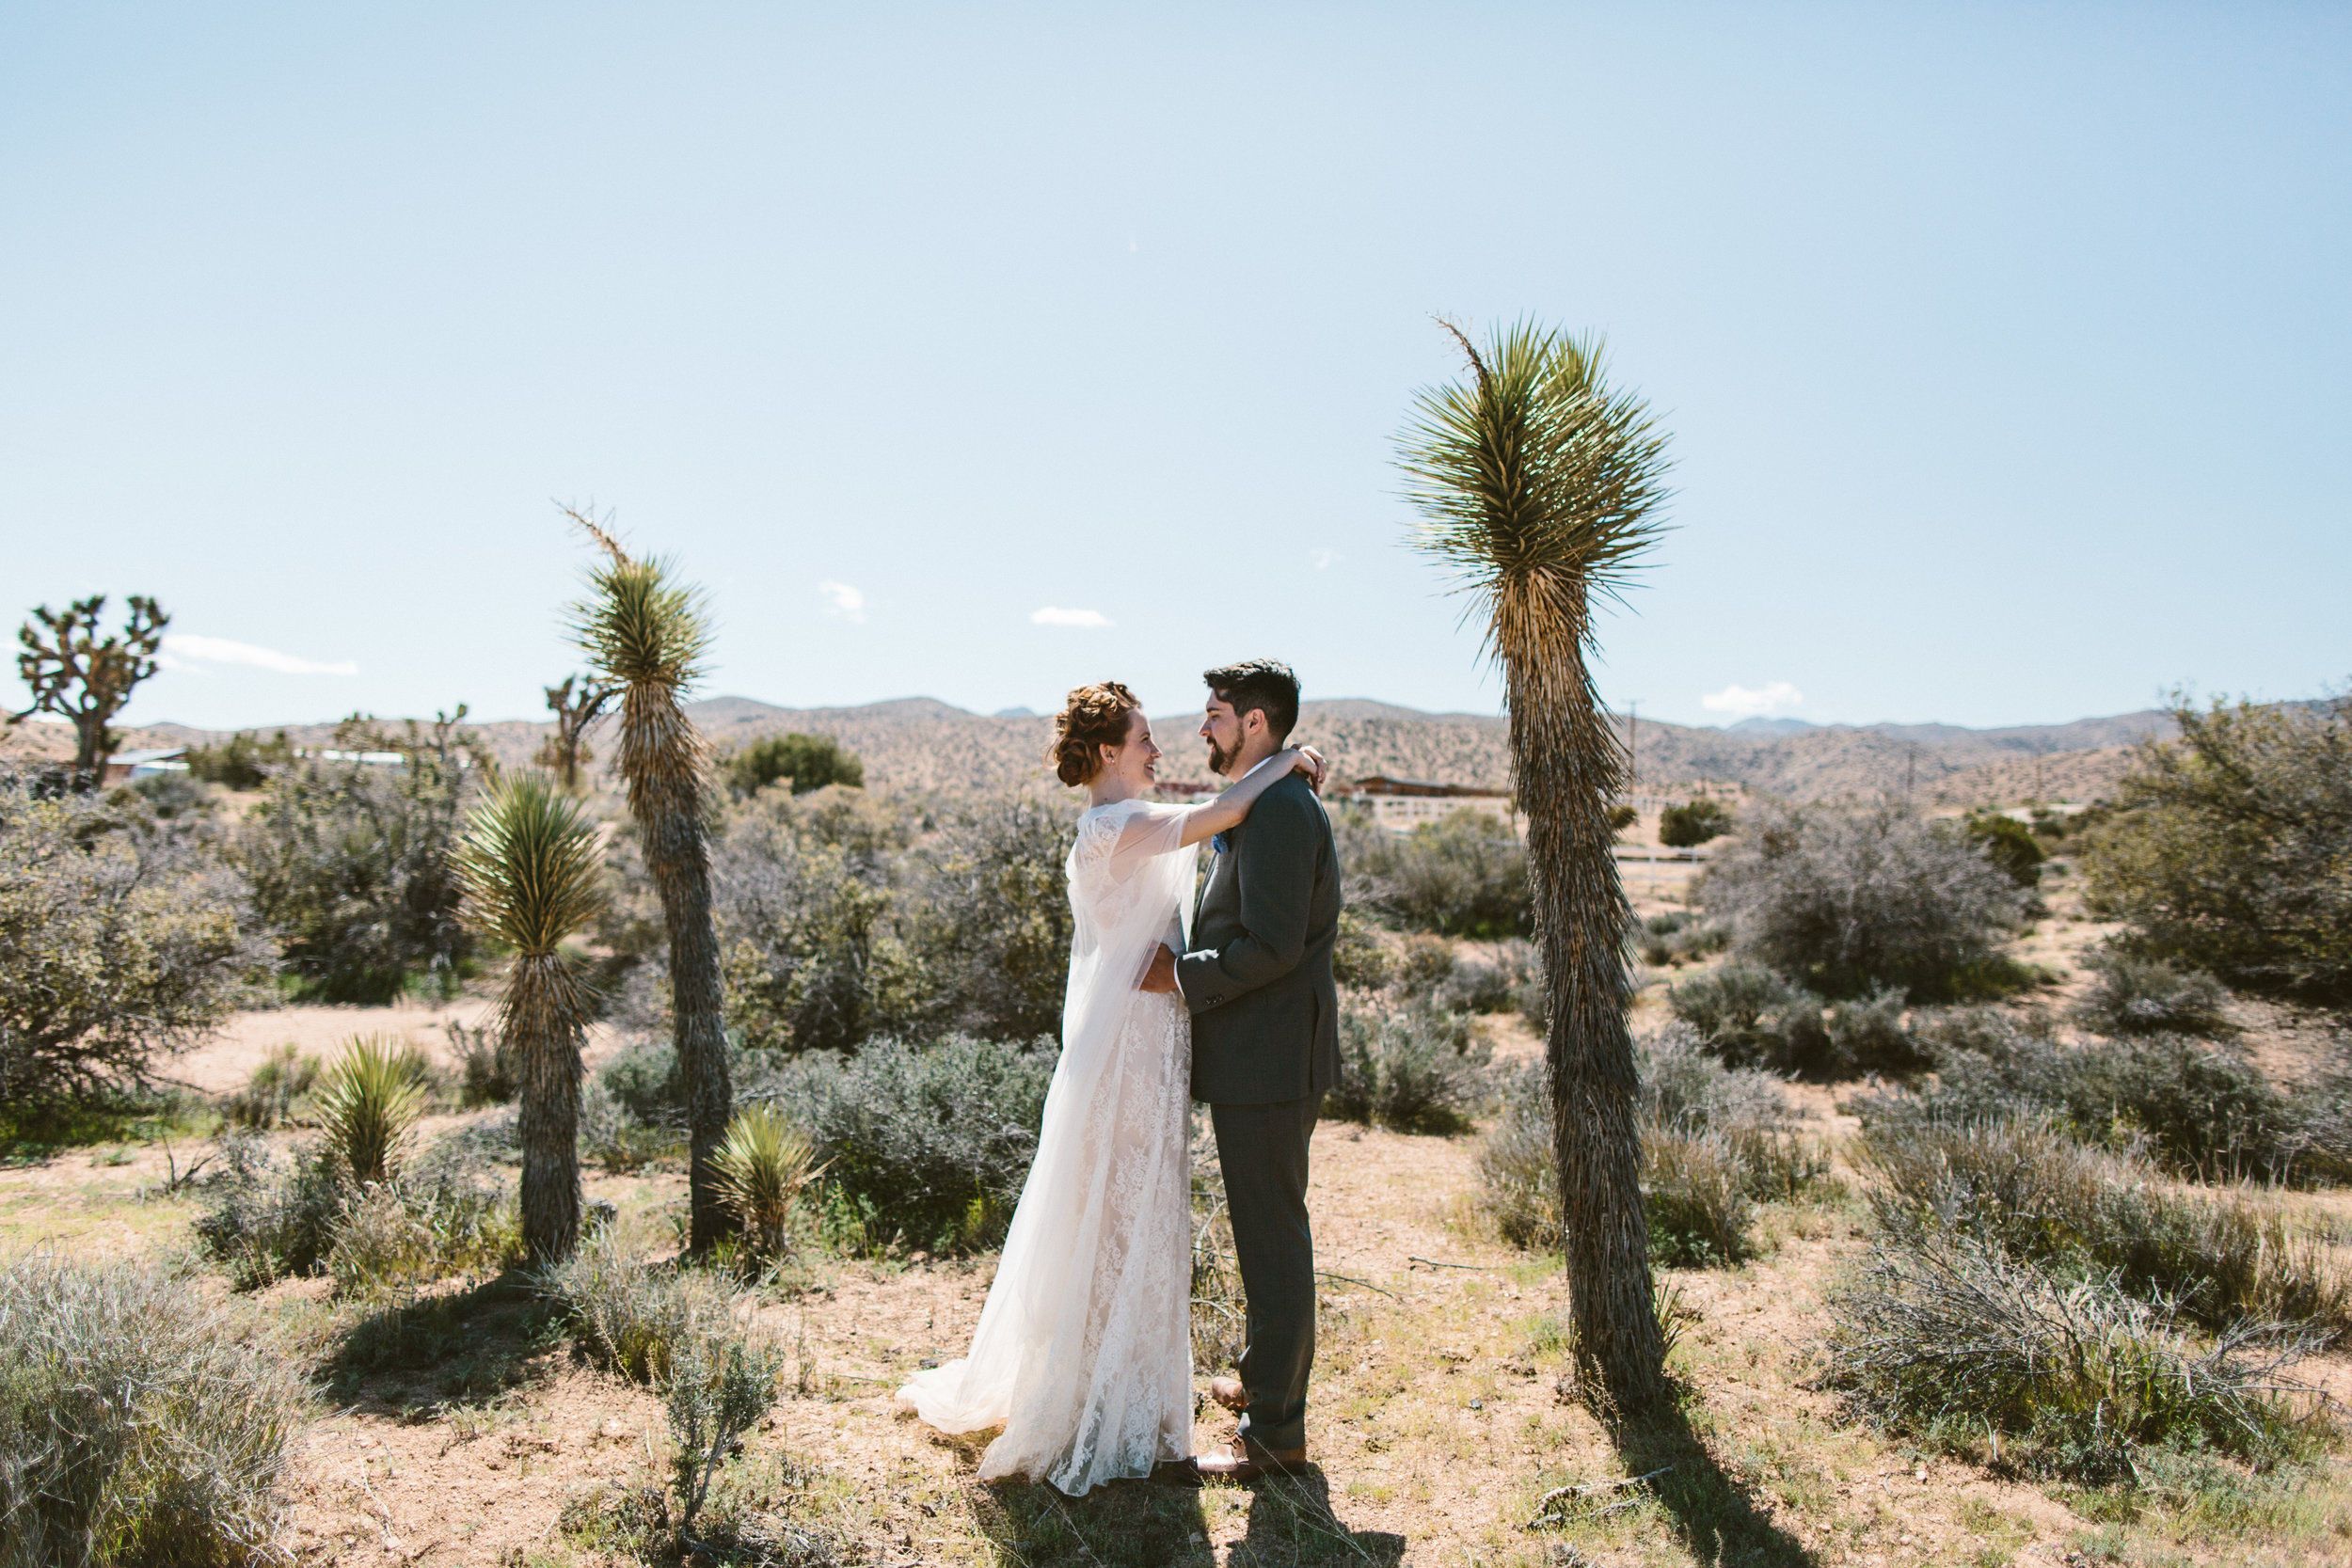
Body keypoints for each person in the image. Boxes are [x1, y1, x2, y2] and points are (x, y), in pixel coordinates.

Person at [895, 679, 1325, 1496]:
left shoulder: (1122, 823)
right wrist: (1289, 761)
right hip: (1131, 1040)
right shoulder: (1117, 825)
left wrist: (1276, 767)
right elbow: (1224, 812)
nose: (1158, 748)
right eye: (1143, 738)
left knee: (1139, 1212)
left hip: (1149, 1034)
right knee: (1121, 1215)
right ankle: (1110, 1400)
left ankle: (1130, 1388)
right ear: (1106, 754)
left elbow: (1214, 810)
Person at [1141, 658, 1341, 1481]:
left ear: (1256, 722)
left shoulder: (1284, 809)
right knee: (1266, 1230)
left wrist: (1181, 977)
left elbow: (1272, 946)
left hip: (1272, 1058)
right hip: (1258, 1055)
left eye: (1216, 713)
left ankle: (1276, 1436)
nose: (1203, 726)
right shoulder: (1267, 796)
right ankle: (1266, 1387)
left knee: (1273, 1239)